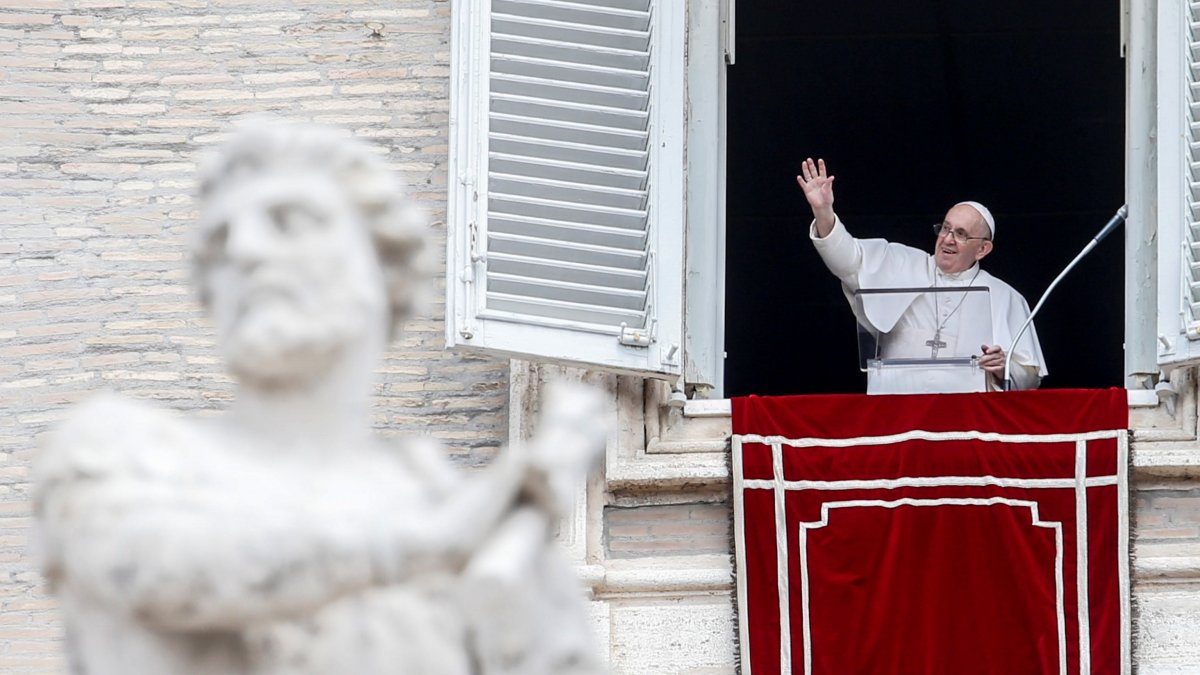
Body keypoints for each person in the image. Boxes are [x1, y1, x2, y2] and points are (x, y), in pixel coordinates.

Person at [33, 122, 608, 675]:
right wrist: (422, 544)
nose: (245, 251)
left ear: (384, 268)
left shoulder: (460, 506)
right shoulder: (126, 450)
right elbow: (158, 570)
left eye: (290, 220)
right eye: (218, 242)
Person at [796, 157, 1046, 391]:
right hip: (898, 414)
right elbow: (848, 261)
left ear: (982, 249)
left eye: (960, 233)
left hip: (966, 422)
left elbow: (1029, 377)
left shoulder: (1005, 297)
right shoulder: (901, 262)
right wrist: (823, 213)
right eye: (945, 228)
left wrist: (1004, 367)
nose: (948, 239)